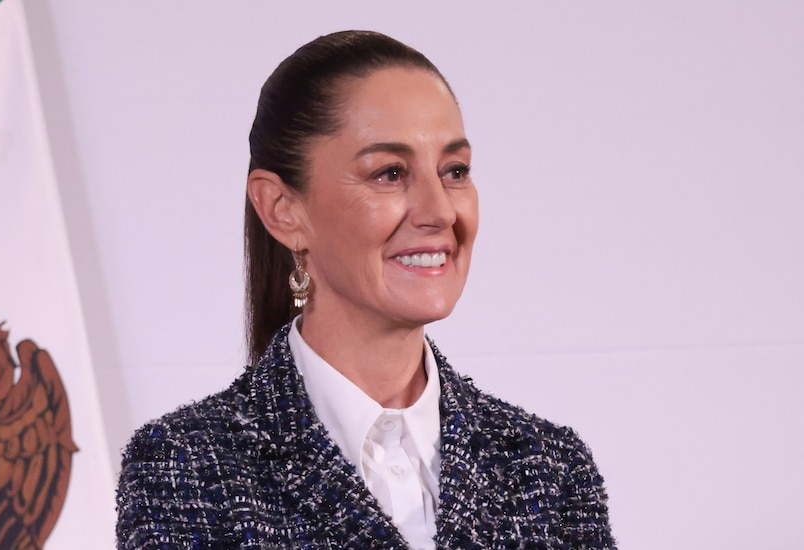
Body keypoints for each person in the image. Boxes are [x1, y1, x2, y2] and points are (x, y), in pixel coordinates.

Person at [116, 30, 615, 549]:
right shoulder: (186, 467)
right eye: (390, 173)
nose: (440, 211)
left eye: (454, 171)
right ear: (282, 209)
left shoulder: (551, 467)